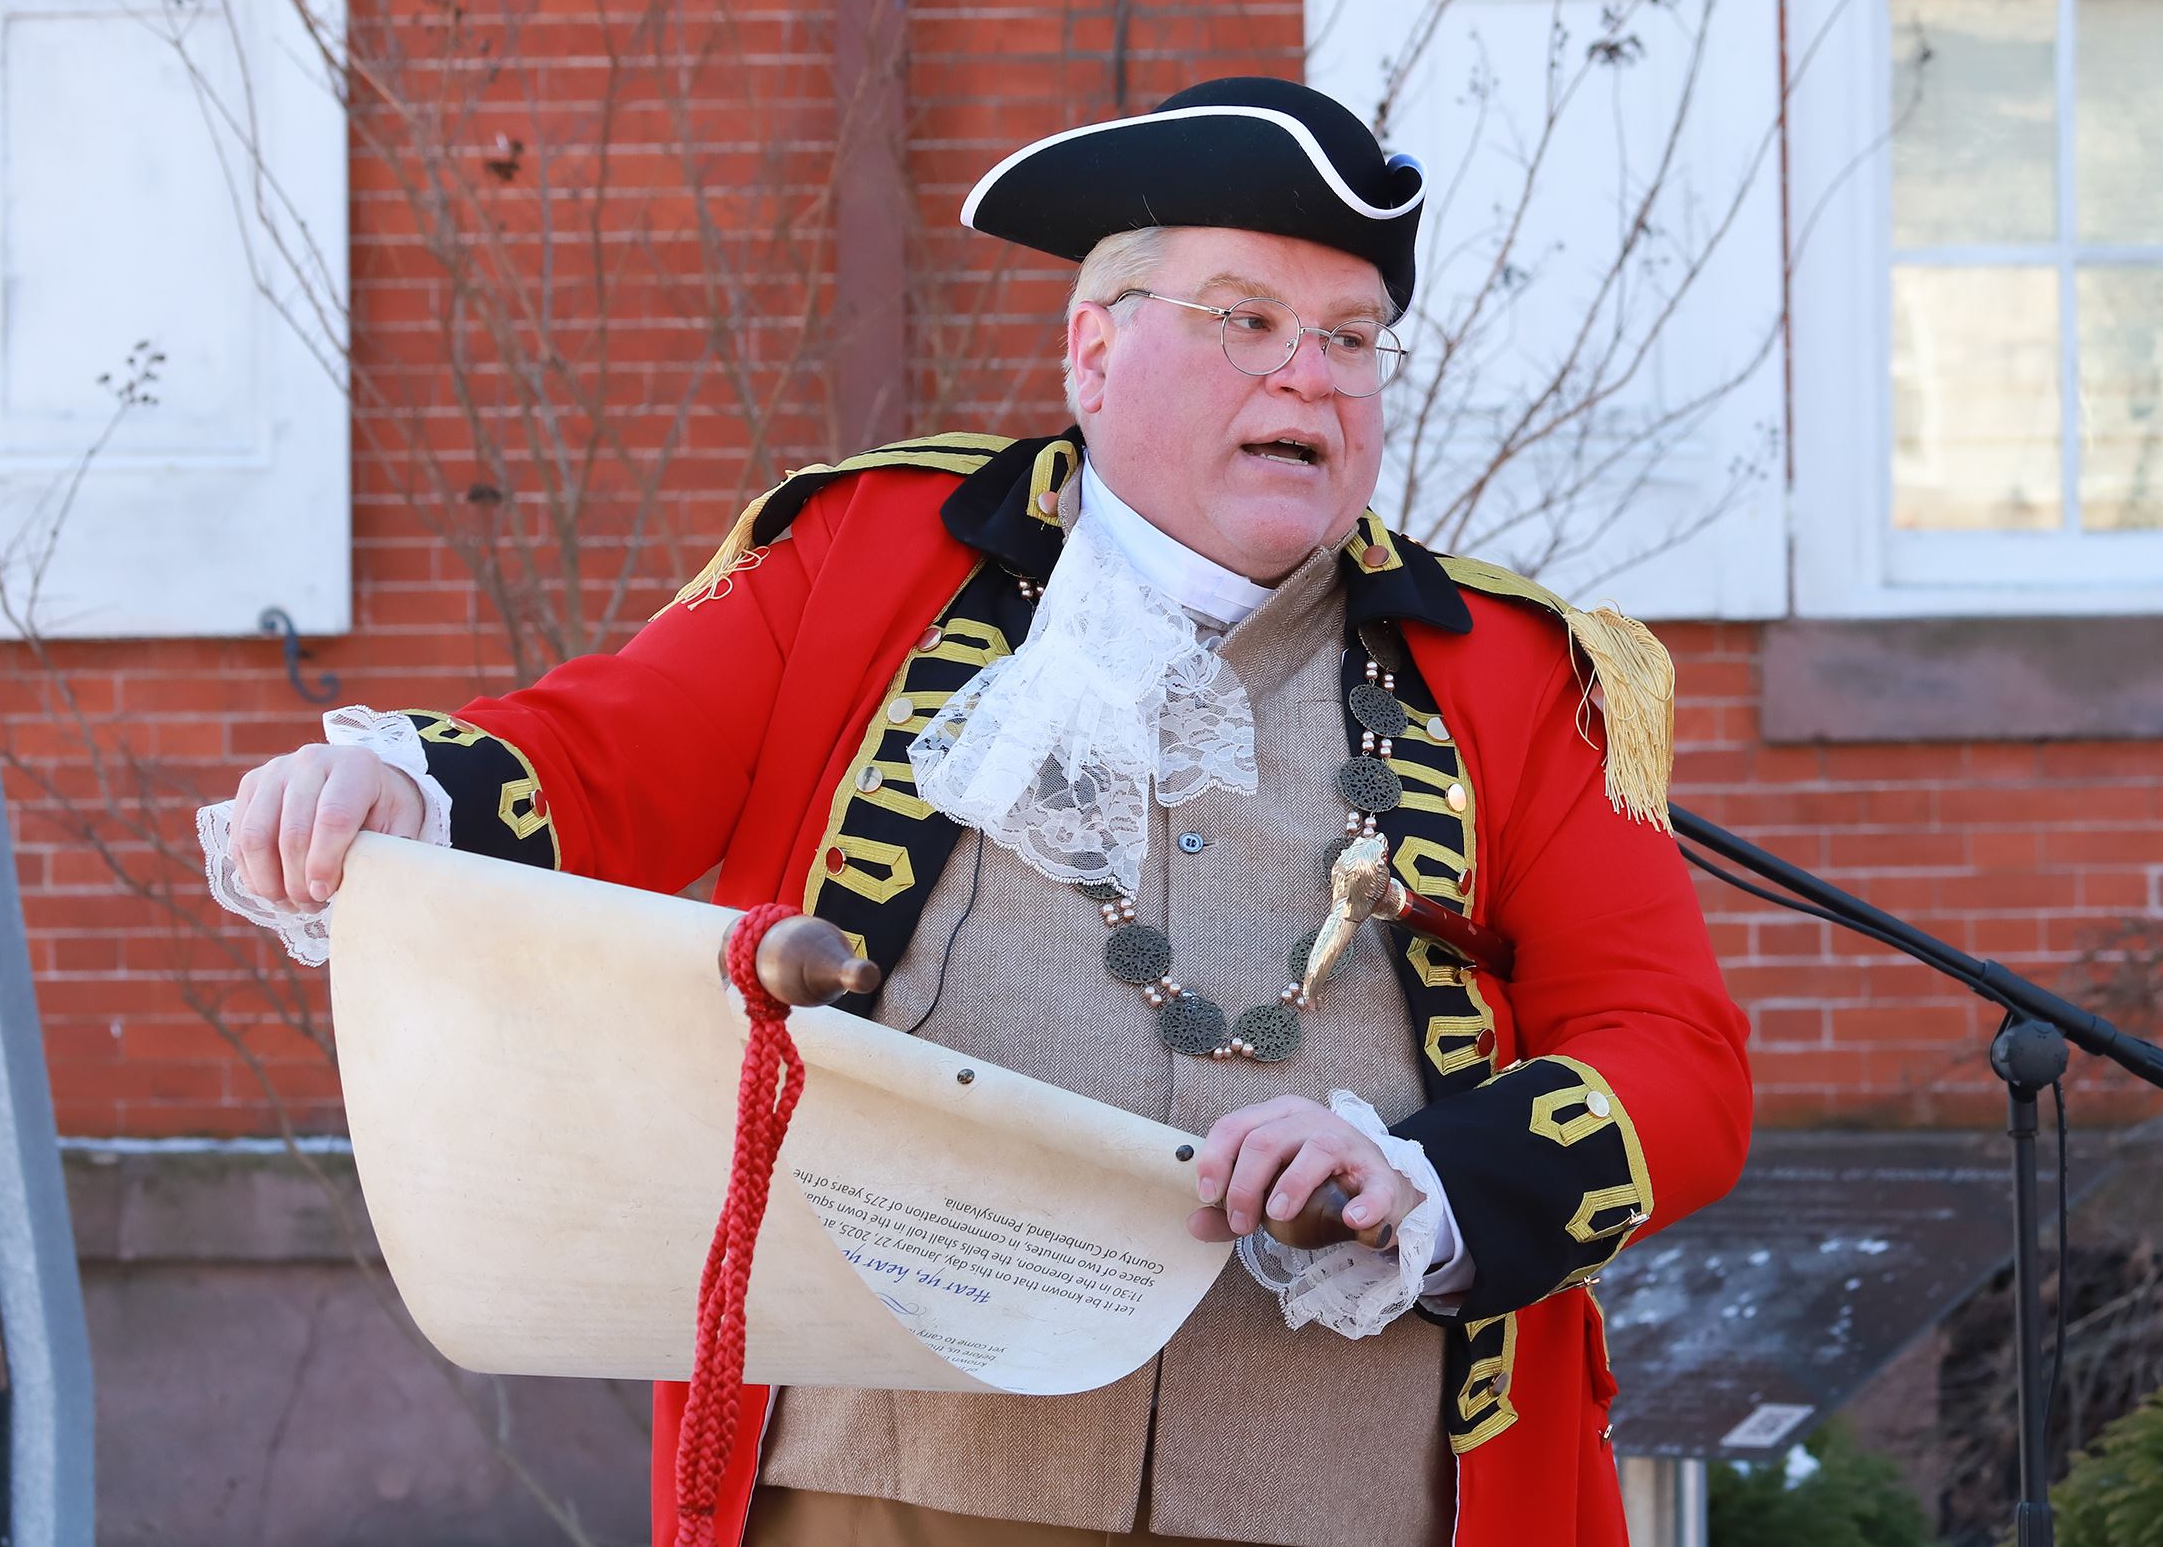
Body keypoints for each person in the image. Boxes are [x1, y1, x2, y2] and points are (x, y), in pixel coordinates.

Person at [205, 77, 1751, 1547]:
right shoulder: (870, 556)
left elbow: (1671, 1054)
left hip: (1338, 1472)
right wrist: (394, 784)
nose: (1310, 376)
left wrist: (1424, 1175)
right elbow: (607, 756)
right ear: (1094, 351)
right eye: (1249, 322)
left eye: (1355, 340)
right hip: (894, 1452)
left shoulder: (1519, 676)